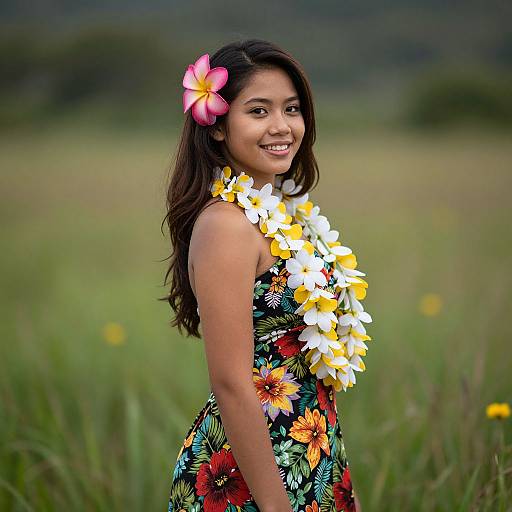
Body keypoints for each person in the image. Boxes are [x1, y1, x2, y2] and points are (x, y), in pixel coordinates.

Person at [162, 39, 366, 512]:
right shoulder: (227, 225)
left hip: (311, 456)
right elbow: (231, 382)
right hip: (251, 478)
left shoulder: (286, 217)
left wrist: (337, 482)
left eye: (291, 109)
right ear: (217, 128)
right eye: (258, 111)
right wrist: (276, 506)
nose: (281, 126)